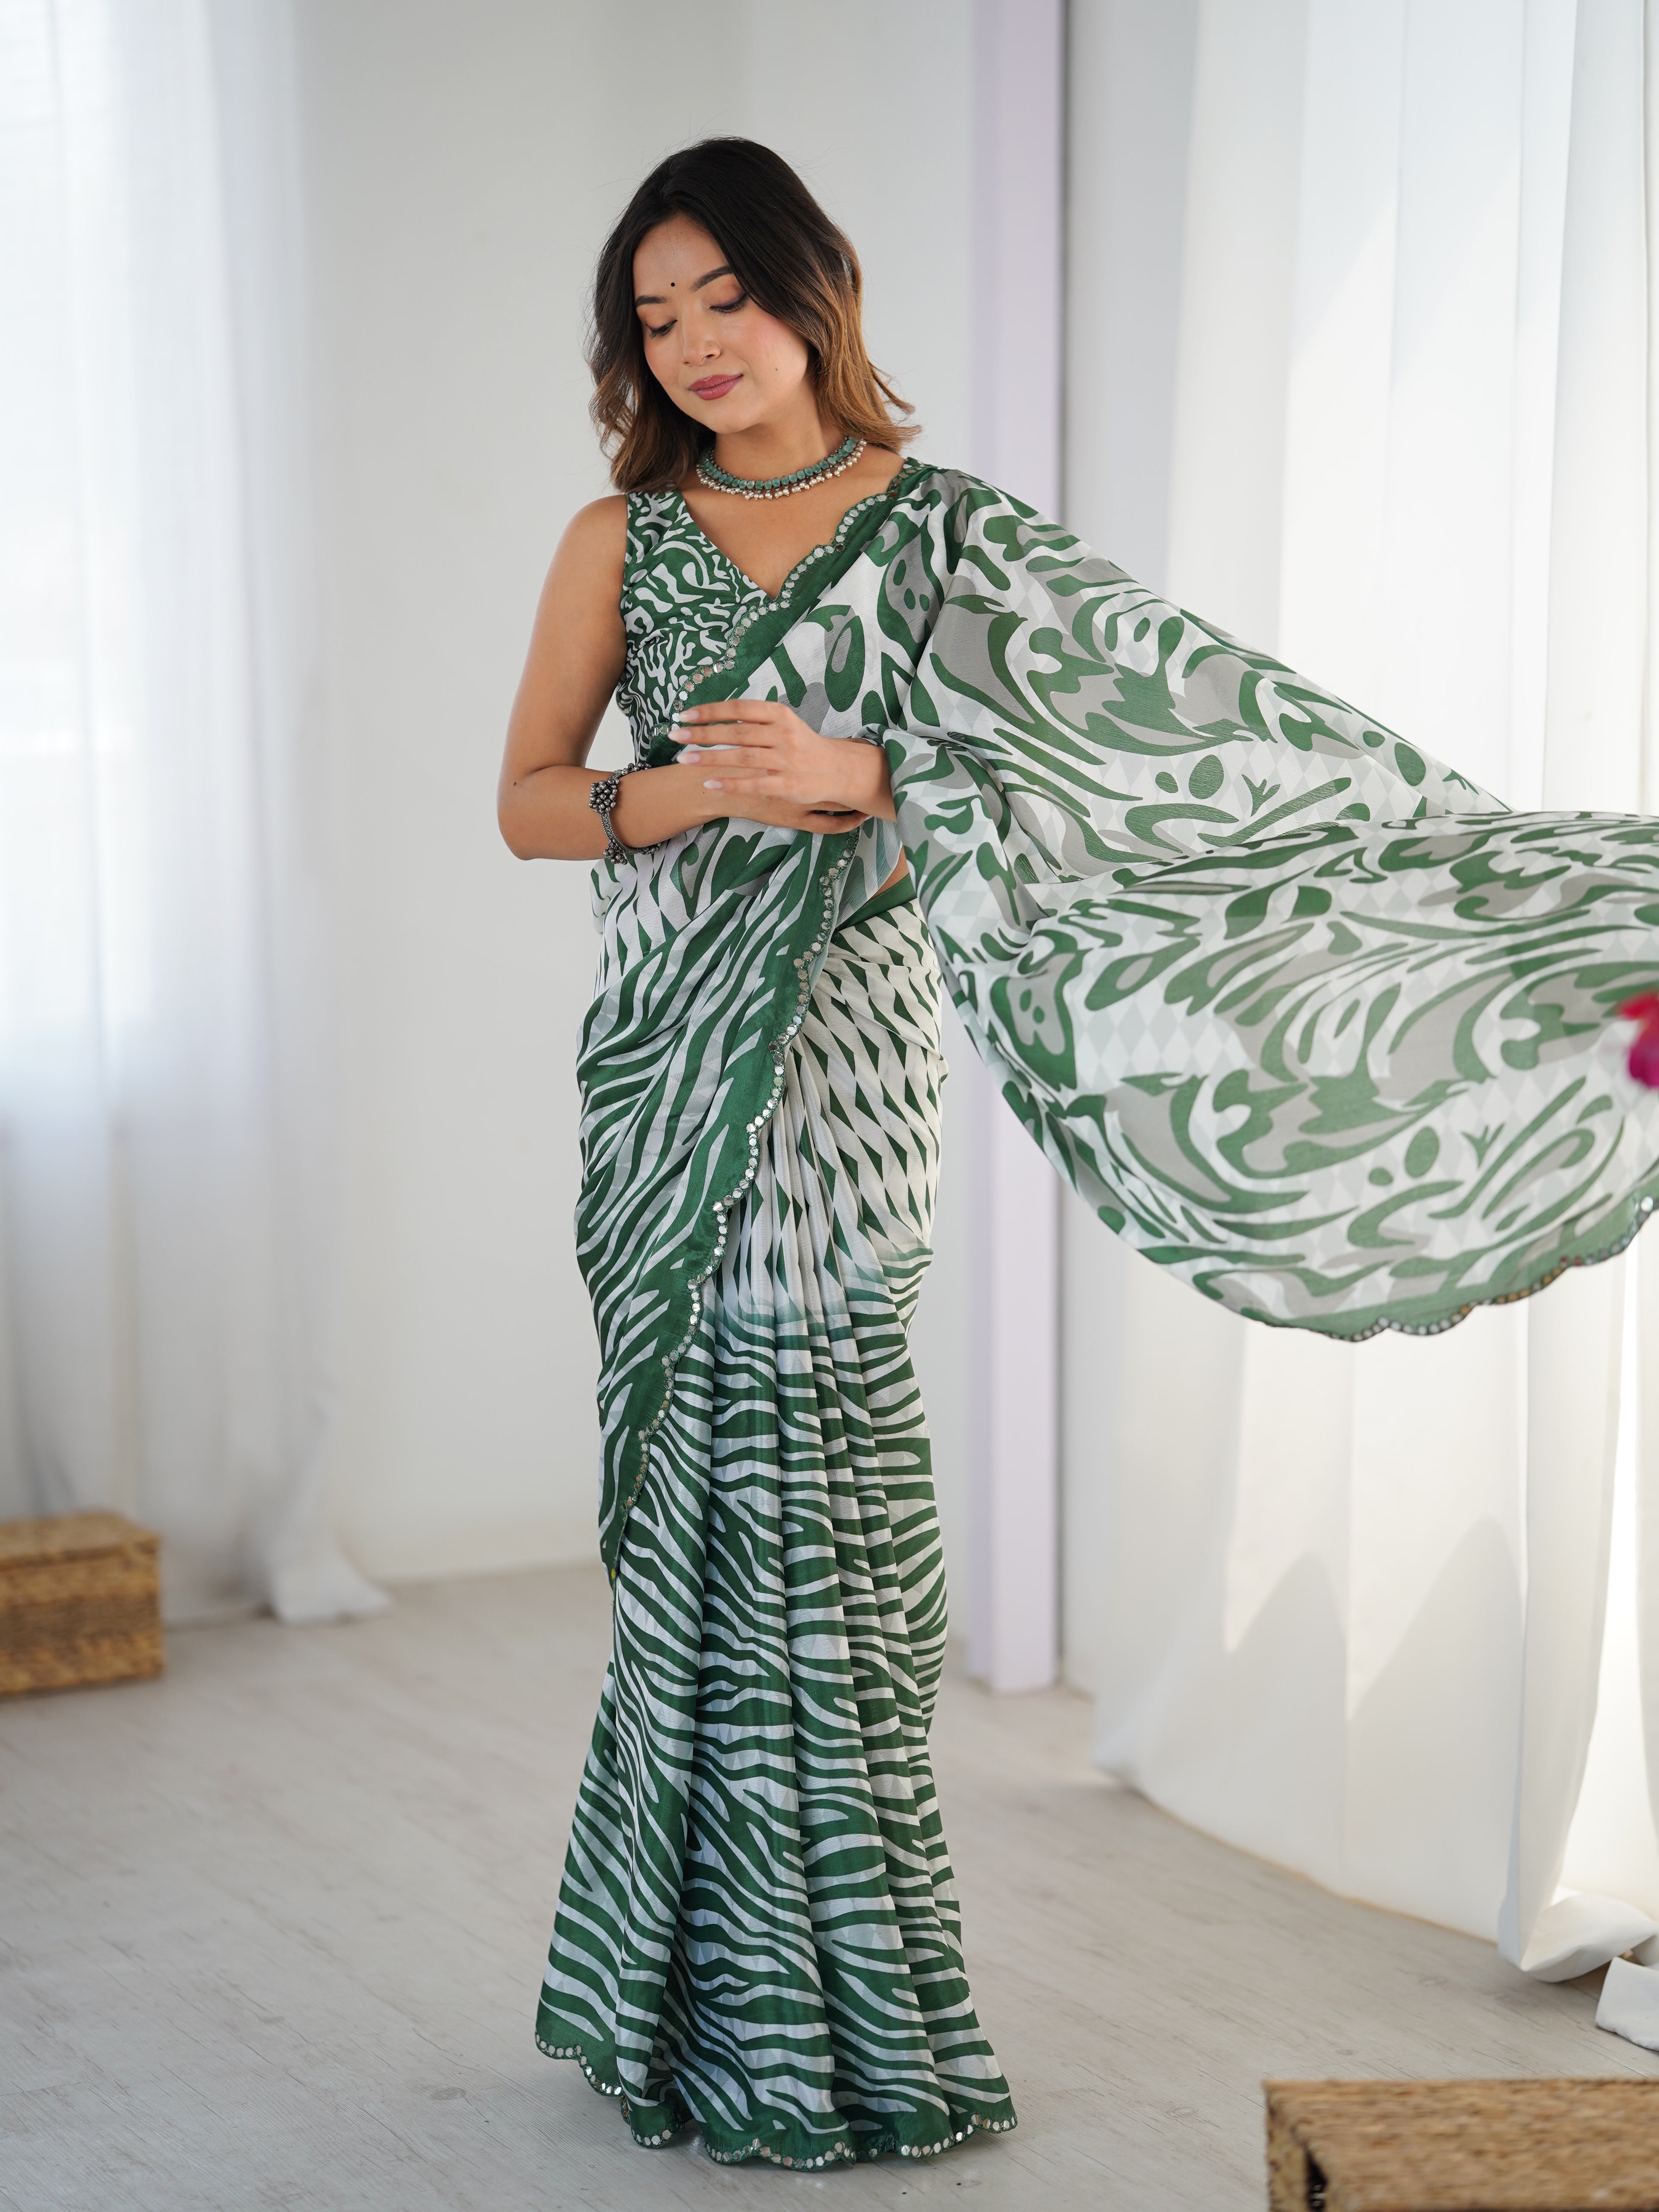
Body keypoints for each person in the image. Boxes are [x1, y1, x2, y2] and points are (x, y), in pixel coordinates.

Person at [499, 137, 1659, 2168]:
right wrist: (675, 802)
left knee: (840, 1511)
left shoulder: (945, 535)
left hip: (850, 1066)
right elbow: (525, 800)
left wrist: (862, 772)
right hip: (668, 1076)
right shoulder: (617, 539)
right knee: (699, 1523)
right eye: (655, 319)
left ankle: (850, 2007)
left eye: (725, 301)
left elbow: (1199, 769)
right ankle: (691, 2006)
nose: (693, 346)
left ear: (812, 292)